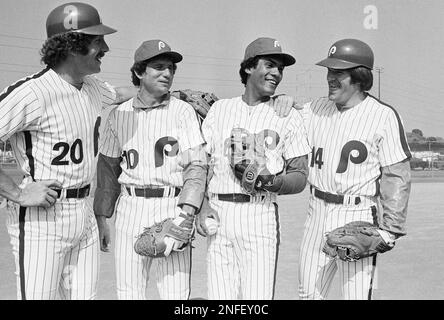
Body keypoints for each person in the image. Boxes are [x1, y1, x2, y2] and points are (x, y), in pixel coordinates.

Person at [0, 2, 134, 300]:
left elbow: (123, 94)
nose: (106, 48)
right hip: (41, 218)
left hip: (83, 213)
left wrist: (173, 93)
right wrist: (19, 193)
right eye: (98, 41)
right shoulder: (31, 92)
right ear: (73, 45)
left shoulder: (94, 88)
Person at [197, 37, 310, 300]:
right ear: (248, 67)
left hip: (259, 213)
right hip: (219, 212)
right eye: (269, 65)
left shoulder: (287, 114)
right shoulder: (219, 110)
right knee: (219, 298)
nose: (277, 73)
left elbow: (300, 175)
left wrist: (271, 182)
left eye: (280, 69)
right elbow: (201, 165)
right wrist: (202, 207)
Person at [93, 39, 208, 300]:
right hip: (130, 207)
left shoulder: (183, 111)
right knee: (128, 292)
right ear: (138, 72)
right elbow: (107, 171)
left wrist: (187, 214)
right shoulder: (118, 114)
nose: (167, 74)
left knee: (176, 294)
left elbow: (197, 165)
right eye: (158, 67)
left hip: (172, 205)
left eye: (171, 68)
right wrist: (102, 219)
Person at [298, 39, 412, 300]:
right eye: (329, 71)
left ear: (360, 76)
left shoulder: (383, 116)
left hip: (357, 214)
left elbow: (397, 175)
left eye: (339, 73)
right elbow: (286, 121)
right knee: (307, 295)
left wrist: (389, 229)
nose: (330, 78)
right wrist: (281, 102)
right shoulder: (314, 109)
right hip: (316, 211)